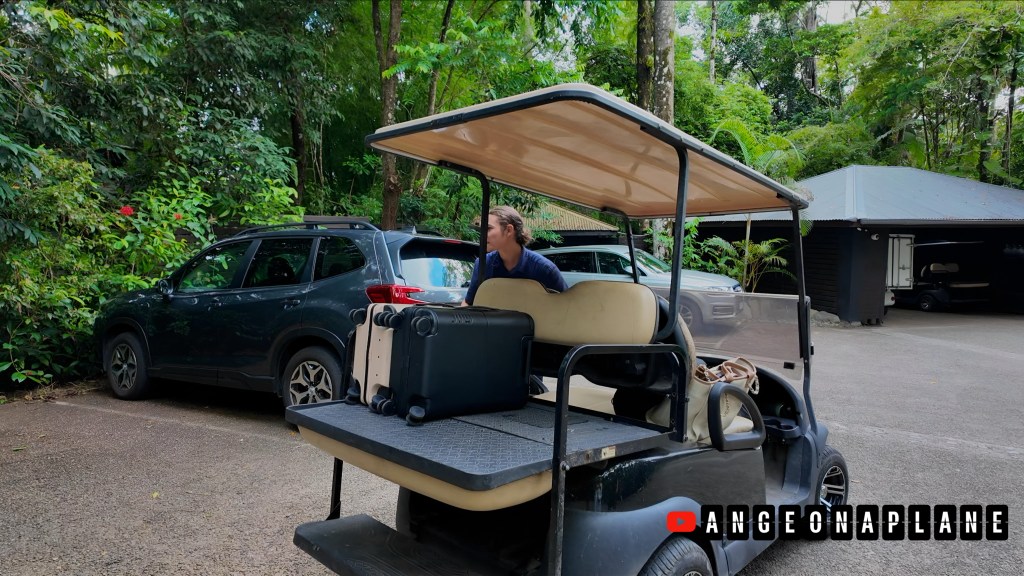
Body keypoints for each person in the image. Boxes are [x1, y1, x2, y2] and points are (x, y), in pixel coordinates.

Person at [463, 205, 567, 305]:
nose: (482, 234)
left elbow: (566, 306)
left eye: (488, 229)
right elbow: (468, 303)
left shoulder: (544, 269)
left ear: (509, 230)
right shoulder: (483, 264)